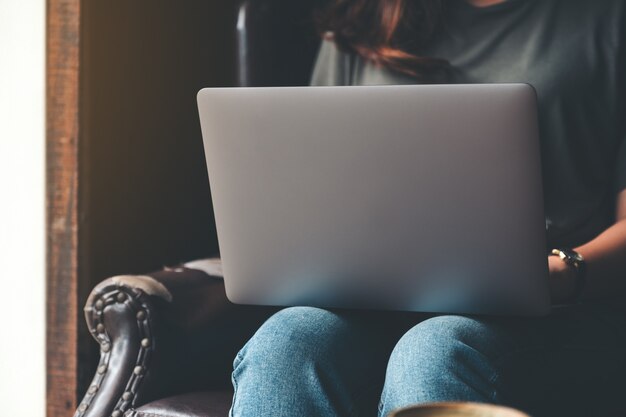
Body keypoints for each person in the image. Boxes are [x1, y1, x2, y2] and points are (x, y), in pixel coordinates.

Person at [229, 1, 626, 416]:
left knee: (435, 348)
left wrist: (560, 272)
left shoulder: (609, 18)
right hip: (370, 301)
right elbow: (312, 192)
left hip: (556, 310)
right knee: (287, 342)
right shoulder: (363, 17)